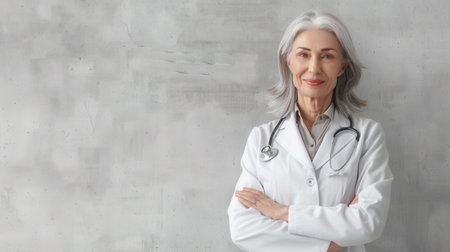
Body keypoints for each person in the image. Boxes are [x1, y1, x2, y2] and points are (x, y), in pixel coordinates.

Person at [227, 10, 393, 252]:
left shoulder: (368, 135)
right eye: (303, 55)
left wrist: (282, 212)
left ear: (342, 67)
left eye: (327, 56)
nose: (314, 68)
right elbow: (242, 228)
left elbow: (369, 222)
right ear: (289, 62)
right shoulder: (260, 139)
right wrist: (331, 244)